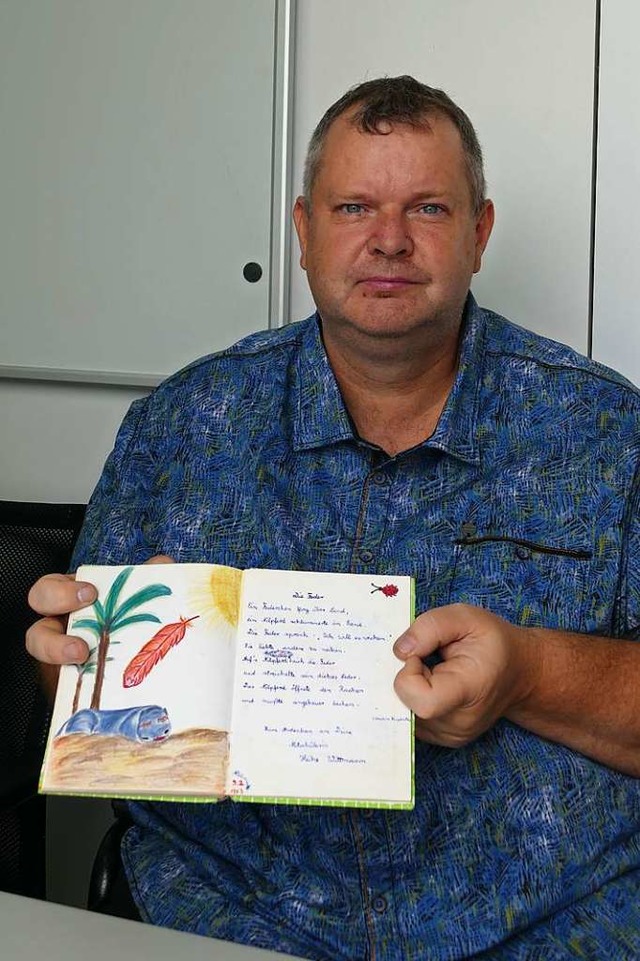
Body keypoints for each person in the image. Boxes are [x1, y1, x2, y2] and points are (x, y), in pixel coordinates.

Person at [27, 76, 640, 960]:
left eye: (427, 207)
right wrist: (72, 670)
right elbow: (87, 709)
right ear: (305, 230)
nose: (388, 240)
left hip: (547, 930)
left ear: (480, 232)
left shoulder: (610, 433)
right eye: (355, 206)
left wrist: (529, 674)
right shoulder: (182, 422)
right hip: (223, 917)